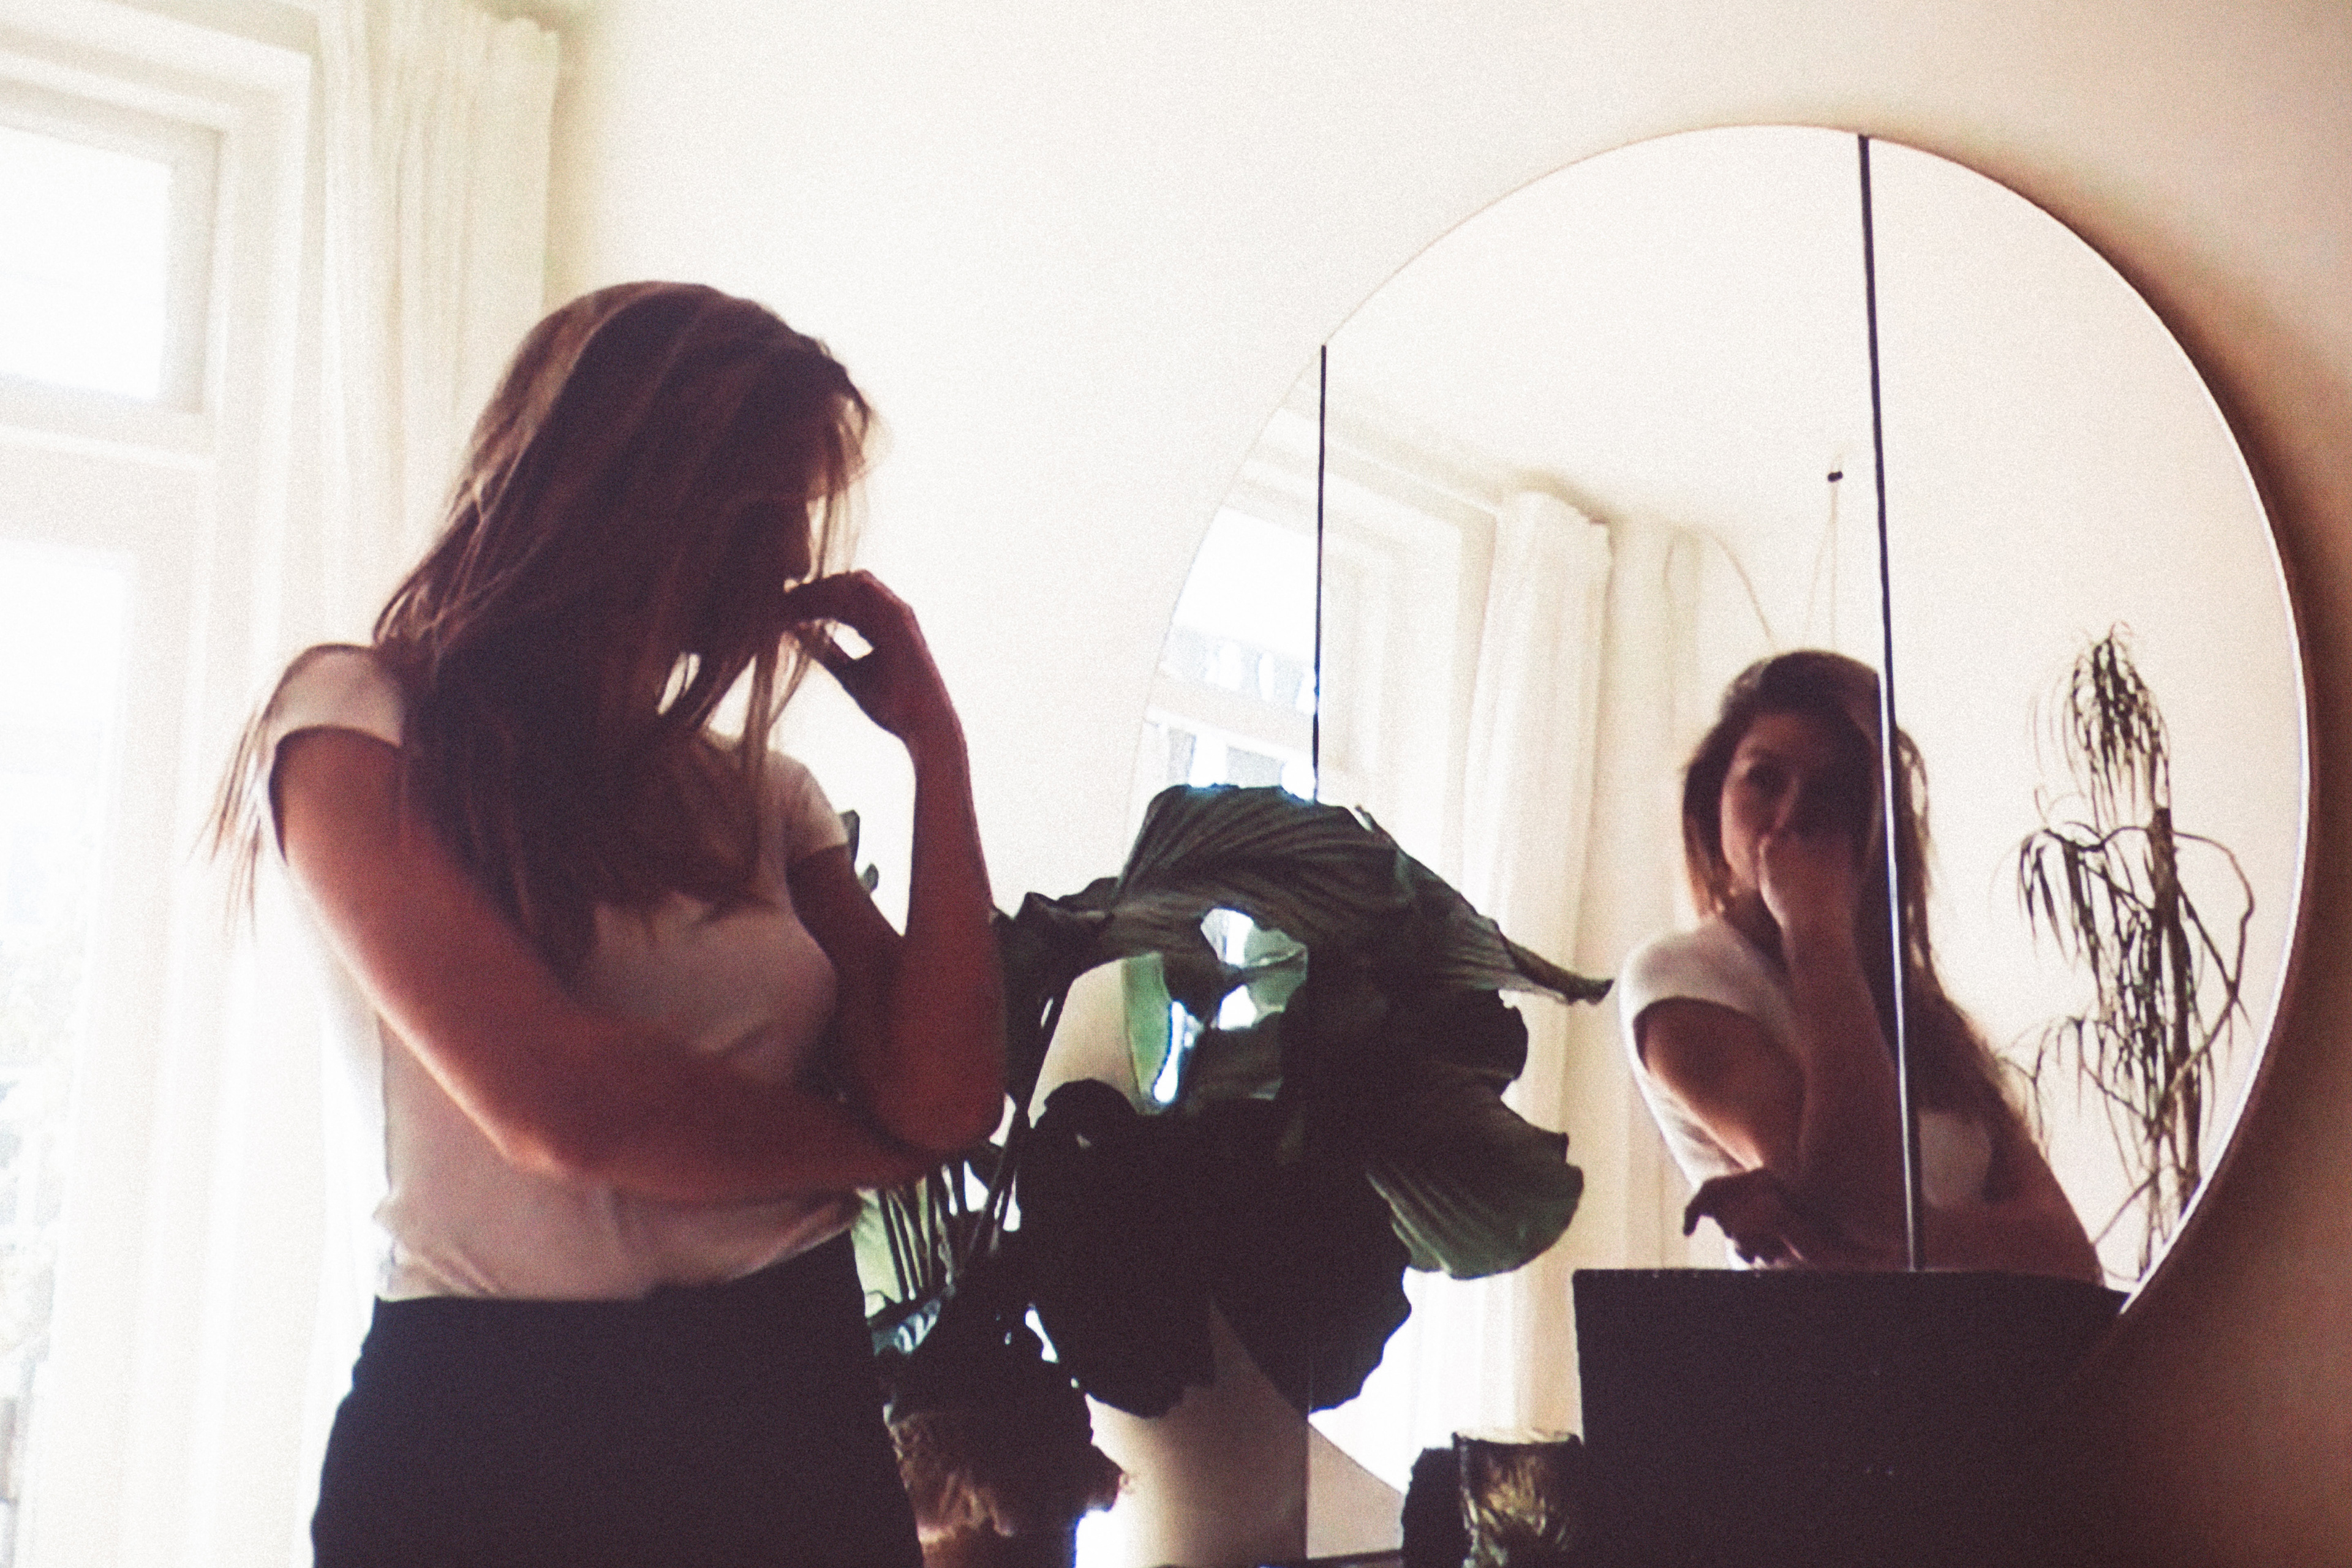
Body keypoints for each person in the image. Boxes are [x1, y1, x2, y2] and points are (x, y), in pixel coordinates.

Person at [211, 282, 1006, 1566]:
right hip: (493, 1428)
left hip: (791, 1395)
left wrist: (939, 754)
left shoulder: (766, 800)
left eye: (798, 512)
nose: (787, 559)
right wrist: (866, 1152)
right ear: (624, 482)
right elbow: (565, 1109)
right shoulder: (356, 724)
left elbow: (949, 1095)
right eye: (759, 505)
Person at [1615, 650, 2101, 1283]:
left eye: (1831, 792)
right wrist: (1814, 931)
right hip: (1823, 1346)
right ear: (1714, 799)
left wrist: (1900, 1239)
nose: (1792, 816)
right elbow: (1851, 1201)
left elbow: (2069, 1256)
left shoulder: (1917, 1012)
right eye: (1765, 779)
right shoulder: (1681, 975)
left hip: (1977, 1345)